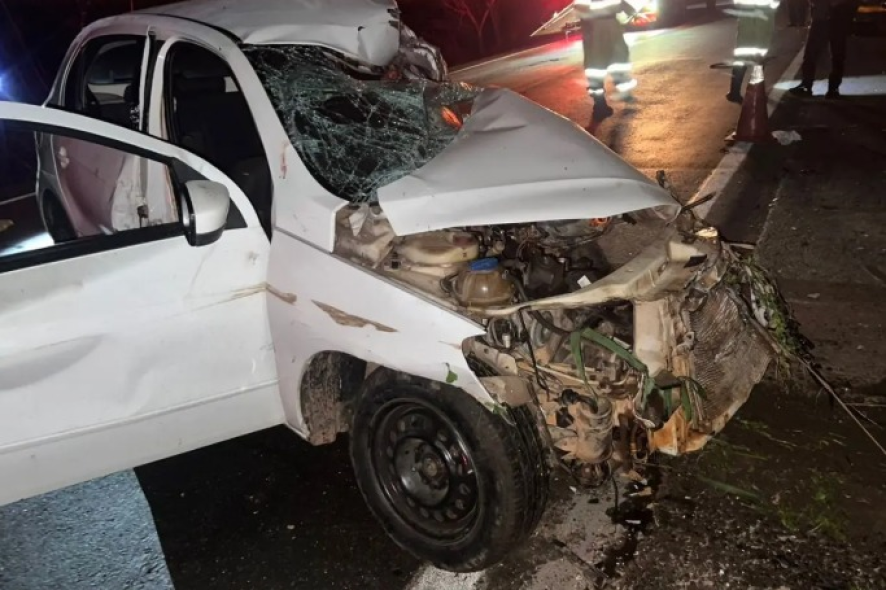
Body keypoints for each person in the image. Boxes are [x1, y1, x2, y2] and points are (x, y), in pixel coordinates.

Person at [577, 0, 637, 120]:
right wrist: (628, 11)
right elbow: (623, 6)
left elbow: (581, 11)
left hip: (594, 35)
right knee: (615, 64)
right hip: (608, 31)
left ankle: (601, 105)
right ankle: (620, 96)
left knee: (597, 71)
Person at [789, 0, 859, 98]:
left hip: (831, 17)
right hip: (828, 17)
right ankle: (820, 86)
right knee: (825, 54)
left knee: (831, 54)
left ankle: (820, 87)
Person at [725, 0, 780, 103]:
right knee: (759, 58)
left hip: (747, 23)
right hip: (763, 22)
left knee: (741, 59)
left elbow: (737, 3)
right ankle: (756, 92)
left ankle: (734, 92)